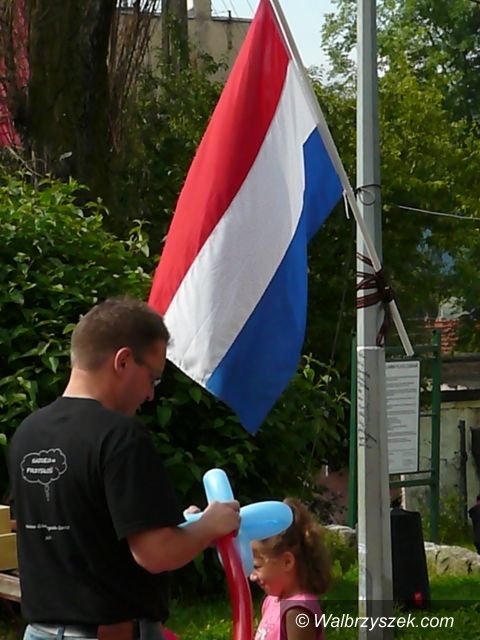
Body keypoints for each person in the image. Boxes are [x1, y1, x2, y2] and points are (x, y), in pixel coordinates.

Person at [8, 297, 240, 640]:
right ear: (124, 361)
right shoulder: (121, 436)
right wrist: (210, 524)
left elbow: (83, 530)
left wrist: (179, 526)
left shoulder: (28, 433)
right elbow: (155, 554)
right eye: (153, 379)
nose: (150, 395)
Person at [250, 498, 331, 640]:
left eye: (257, 566)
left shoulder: (297, 611)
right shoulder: (271, 601)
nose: (252, 576)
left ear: (287, 562)